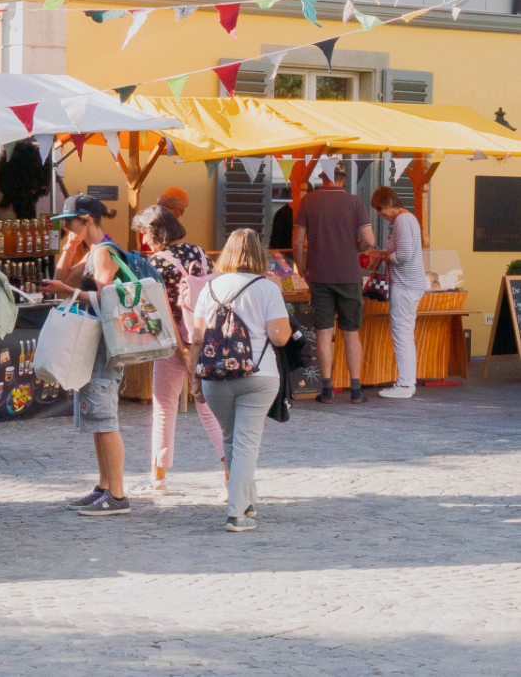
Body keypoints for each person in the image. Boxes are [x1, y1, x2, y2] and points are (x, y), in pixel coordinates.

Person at [190, 229, 292, 533]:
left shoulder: (209, 288)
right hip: (259, 376)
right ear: (259, 253)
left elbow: (196, 338)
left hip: (214, 377)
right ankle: (236, 514)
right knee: (246, 442)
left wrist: (195, 379)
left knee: (232, 438)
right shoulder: (267, 288)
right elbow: (280, 336)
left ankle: (245, 502)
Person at [42, 194, 131, 517]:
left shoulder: (105, 251)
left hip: (106, 344)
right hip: (94, 342)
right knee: (96, 415)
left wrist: (70, 293)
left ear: (86, 220)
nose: (66, 227)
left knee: (105, 417)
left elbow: (105, 295)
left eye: (69, 222)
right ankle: (105, 486)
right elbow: (63, 277)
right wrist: (68, 246)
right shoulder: (94, 250)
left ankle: (118, 495)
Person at [129, 205, 224, 498]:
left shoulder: (153, 263)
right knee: (210, 410)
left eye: (144, 234)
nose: (143, 241)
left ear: (155, 232)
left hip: (174, 342)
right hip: (207, 337)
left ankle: (157, 479)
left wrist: (182, 348)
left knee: (164, 409)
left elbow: (160, 308)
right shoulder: (198, 252)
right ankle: (232, 477)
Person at [294, 173, 374, 403]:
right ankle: (356, 389)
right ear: (343, 178)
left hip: (319, 275)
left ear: (323, 177)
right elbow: (369, 239)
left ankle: (327, 389)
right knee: (351, 332)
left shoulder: (309, 201)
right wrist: (356, 248)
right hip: (349, 276)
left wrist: (302, 269)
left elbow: (298, 241)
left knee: (323, 332)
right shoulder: (355, 201)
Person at [369, 188, 426, 399]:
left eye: (380, 208)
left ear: (390, 202)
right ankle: (407, 382)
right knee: (405, 334)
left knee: (401, 334)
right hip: (412, 284)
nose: (379, 213)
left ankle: (404, 385)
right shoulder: (408, 219)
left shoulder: (402, 220)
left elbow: (403, 256)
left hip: (405, 285)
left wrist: (383, 256)